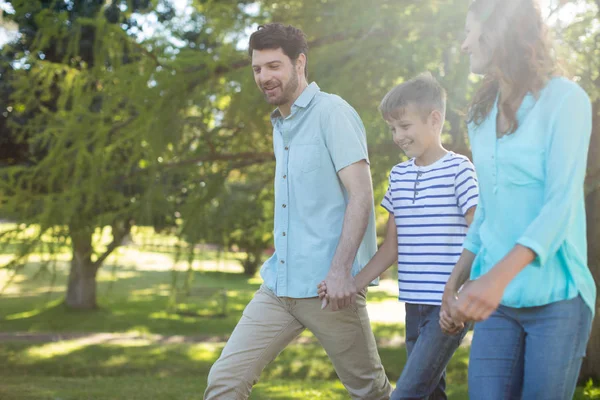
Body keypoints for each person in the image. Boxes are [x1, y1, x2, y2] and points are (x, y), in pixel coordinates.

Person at [204, 23, 392, 400]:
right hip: (279, 287)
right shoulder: (281, 124)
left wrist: (340, 272)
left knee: (369, 392)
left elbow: (360, 196)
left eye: (274, 66)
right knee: (225, 381)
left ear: (300, 63)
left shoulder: (333, 113)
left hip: (328, 289)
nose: (264, 77)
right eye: (257, 69)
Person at [440, 1, 596, 398]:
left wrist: (494, 279)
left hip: (557, 299)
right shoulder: (480, 116)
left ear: (500, 33)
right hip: (499, 305)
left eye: (470, 32)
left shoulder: (566, 100)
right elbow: (488, 212)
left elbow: (560, 205)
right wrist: (456, 280)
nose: (463, 46)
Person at [319, 72, 479, 399]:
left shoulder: (459, 170)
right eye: (392, 128)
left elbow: (481, 231)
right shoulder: (399, 175)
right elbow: (392, 246)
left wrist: (467, 289)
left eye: (405, 126)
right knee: (430, 392)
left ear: (434, 119)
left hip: (447, 305)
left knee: (407, 392)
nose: (397, 137)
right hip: (414, 305)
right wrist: (353, 282)